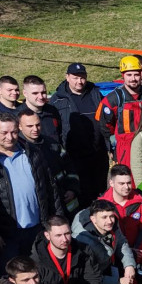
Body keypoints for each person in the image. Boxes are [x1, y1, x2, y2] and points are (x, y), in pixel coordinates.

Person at [0, 111, 63, 272]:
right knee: (10, 281)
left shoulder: (33, 153)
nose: (10, 137)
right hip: (5, 236)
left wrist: (55, 222)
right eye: (4, 133)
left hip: (38, 229)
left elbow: (50, 188)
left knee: (42, 275)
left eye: (14, 132)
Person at [48, 65, 107, 204]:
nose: (79, 81)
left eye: (82, 78)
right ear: (67, 77)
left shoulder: (96, 93)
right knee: (81, 195)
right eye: (75, 78)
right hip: (75, 157)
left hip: (98, 154)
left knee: (100, 192)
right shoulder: (58, 99)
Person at [30, 215, 104, 284]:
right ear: (47, 235)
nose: (64, 239)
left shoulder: (83, 250)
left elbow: (94, 279)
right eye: (58, 235)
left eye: (67, 233)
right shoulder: (37, 260)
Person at [72, 200, 140, 284]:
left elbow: (122, 243)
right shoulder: (84, 241)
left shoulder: (112, 224)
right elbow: (90, 275)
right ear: (93, 219)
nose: (109, 221)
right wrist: (117, 282)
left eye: (111, 216)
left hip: (107, 262)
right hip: (92, 275)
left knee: (132, 259)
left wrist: (129, 266)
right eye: (104, 217)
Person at [96, 56, 142, 166]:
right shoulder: (113, 99)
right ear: (122, 76)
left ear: (141, 74)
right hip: (125, 151)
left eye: (136, 74)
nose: (133, 78)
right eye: (129, 75)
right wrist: (111, 147)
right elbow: (104, 125)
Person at [18, 108, 80, 214]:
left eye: (38, 125)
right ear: (19, 126)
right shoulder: (18, 150)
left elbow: (69, 166)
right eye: (30, 126)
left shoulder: (52, 144)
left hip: (65, 200)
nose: (35, 129)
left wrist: (72, 189)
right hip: (42, 206)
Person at [100, 164, 142, 276]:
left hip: (137, 247)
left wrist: (138, 250)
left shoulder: (140, 202)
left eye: (129, 183)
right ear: (111, 183)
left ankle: (138, 268)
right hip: (116, 251)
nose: (126, 187)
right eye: (121, 183)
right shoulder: (102, 205)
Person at [16, 75, 63, 145]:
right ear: (25, 93)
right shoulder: (16, 116)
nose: (41, 97)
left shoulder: (52, 110)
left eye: (43, 92)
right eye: (35, 93)